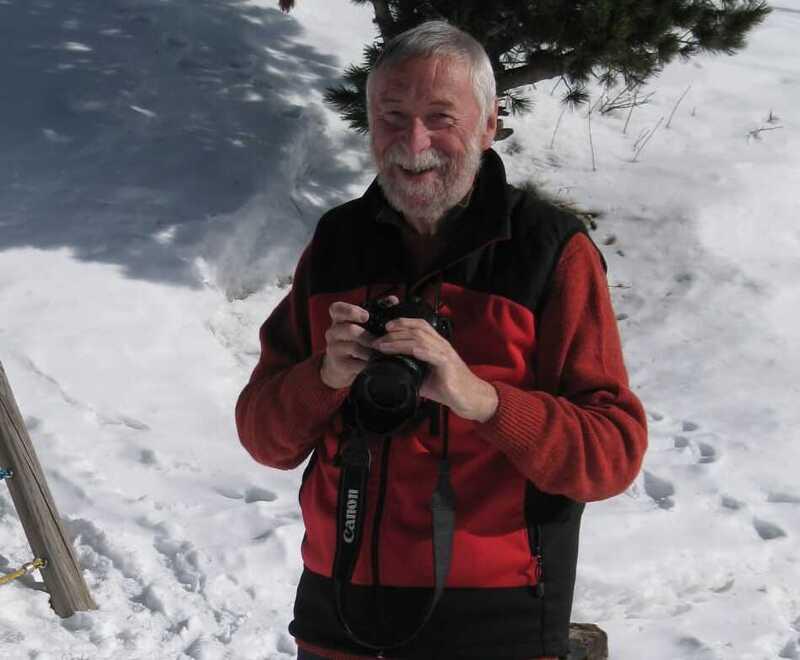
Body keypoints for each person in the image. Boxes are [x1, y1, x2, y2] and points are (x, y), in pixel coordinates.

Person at [236, 20, 647, 660]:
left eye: (440, 117)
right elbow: (263, 437)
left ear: (489, 125)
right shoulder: (338, 244)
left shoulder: (546, 249)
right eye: (393, 116)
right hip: (337, 609)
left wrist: (482, 399)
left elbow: (612, 454)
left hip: (496, 624)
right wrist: (324, 377)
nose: (414, 142)